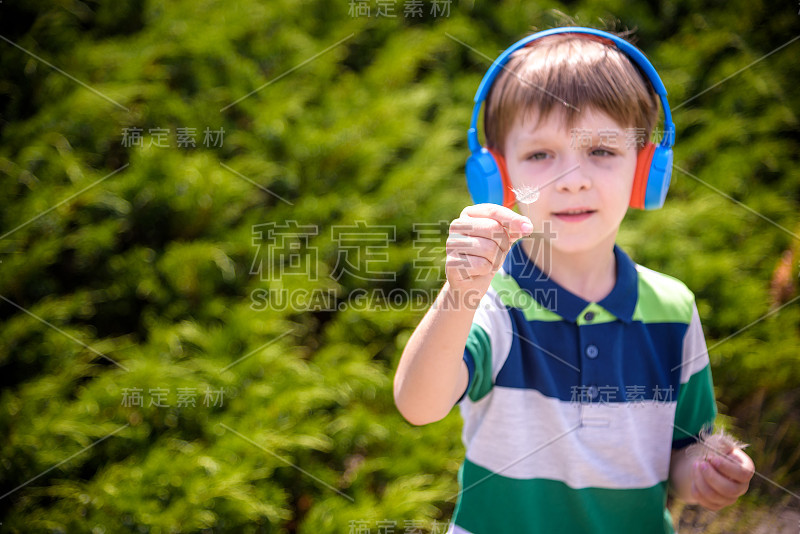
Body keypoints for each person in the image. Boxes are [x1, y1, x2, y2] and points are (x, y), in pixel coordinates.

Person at [393, 27, 755, 533]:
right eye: (540, 155)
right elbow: (418, 404)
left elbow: (680, 456)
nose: (572, 178)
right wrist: (459, 296)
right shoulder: (492, 301)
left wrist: (706, 473)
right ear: (498, 177)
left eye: (602, 151)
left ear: (645, 168)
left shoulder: (673, 309)